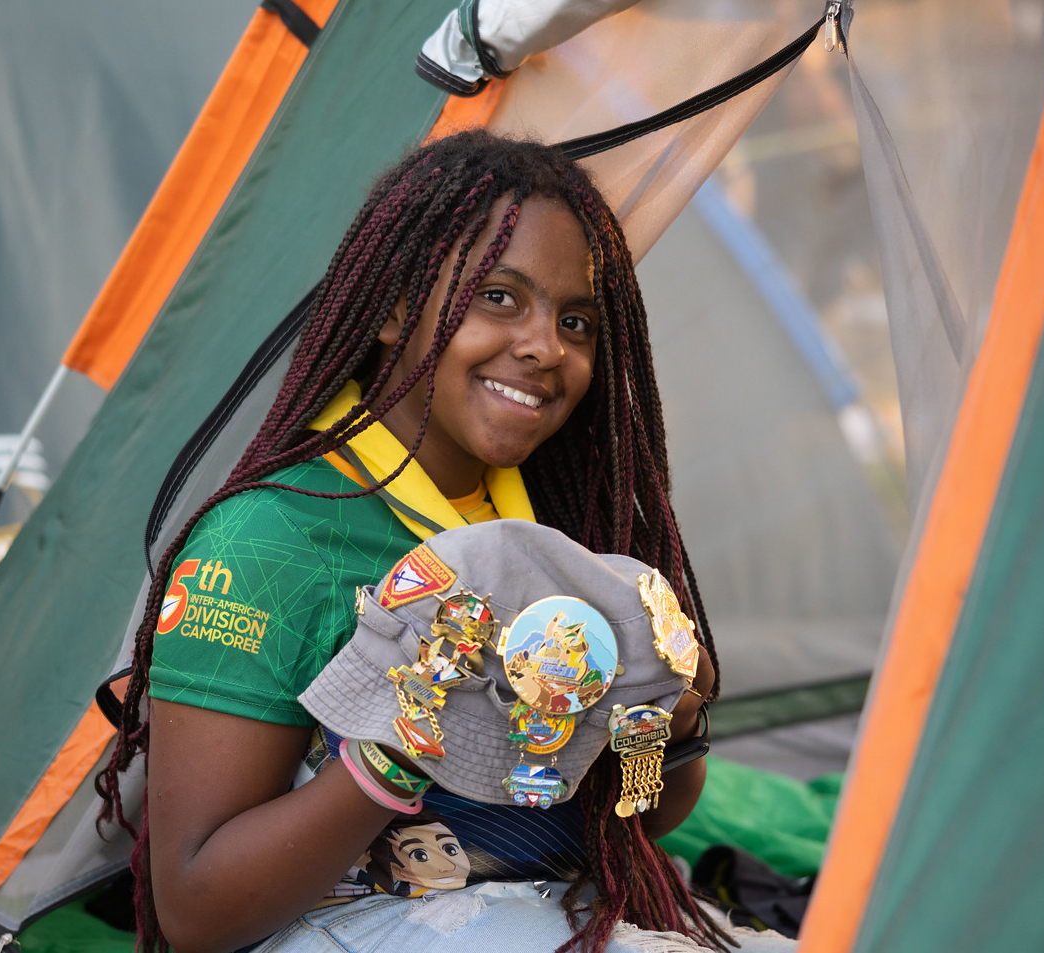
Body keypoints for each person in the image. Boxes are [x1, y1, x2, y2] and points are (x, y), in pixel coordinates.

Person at [97, 131, 783, 953]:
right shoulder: (266, 539)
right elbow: (197, 913)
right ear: (393, 307)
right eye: (499, 296)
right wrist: (407, 734)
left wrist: (667, 723)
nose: (544, 346)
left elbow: (635, 813)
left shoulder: (564, 539)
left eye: (577, 322)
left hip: (558, 909)